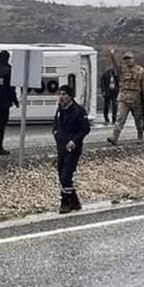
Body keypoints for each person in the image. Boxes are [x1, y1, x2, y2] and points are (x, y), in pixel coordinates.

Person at [53, 85, 90, 213]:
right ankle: (74, 201)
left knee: (66, 175)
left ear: (70, 96)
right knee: (61, 174)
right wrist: (56, 133)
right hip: (61, 147)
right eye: (60, 94)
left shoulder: (78, 111)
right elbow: (55, 125)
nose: (61, 97)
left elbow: (85, 129)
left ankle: (65, 202)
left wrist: (74, 141)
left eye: (64, 94)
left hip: (73, 148)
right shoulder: (59, 110)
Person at [106, 49, 144, 145]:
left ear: (133, 59)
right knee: (120, 118)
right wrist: (112, 56)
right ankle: (115, 137)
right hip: (124, 97)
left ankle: (140, 136)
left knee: (139, 119)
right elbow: (115, 66)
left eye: (129, 59)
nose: (127, 61)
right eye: (126, 59)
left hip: (136, 98)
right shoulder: (122, 70)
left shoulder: (140, 71)